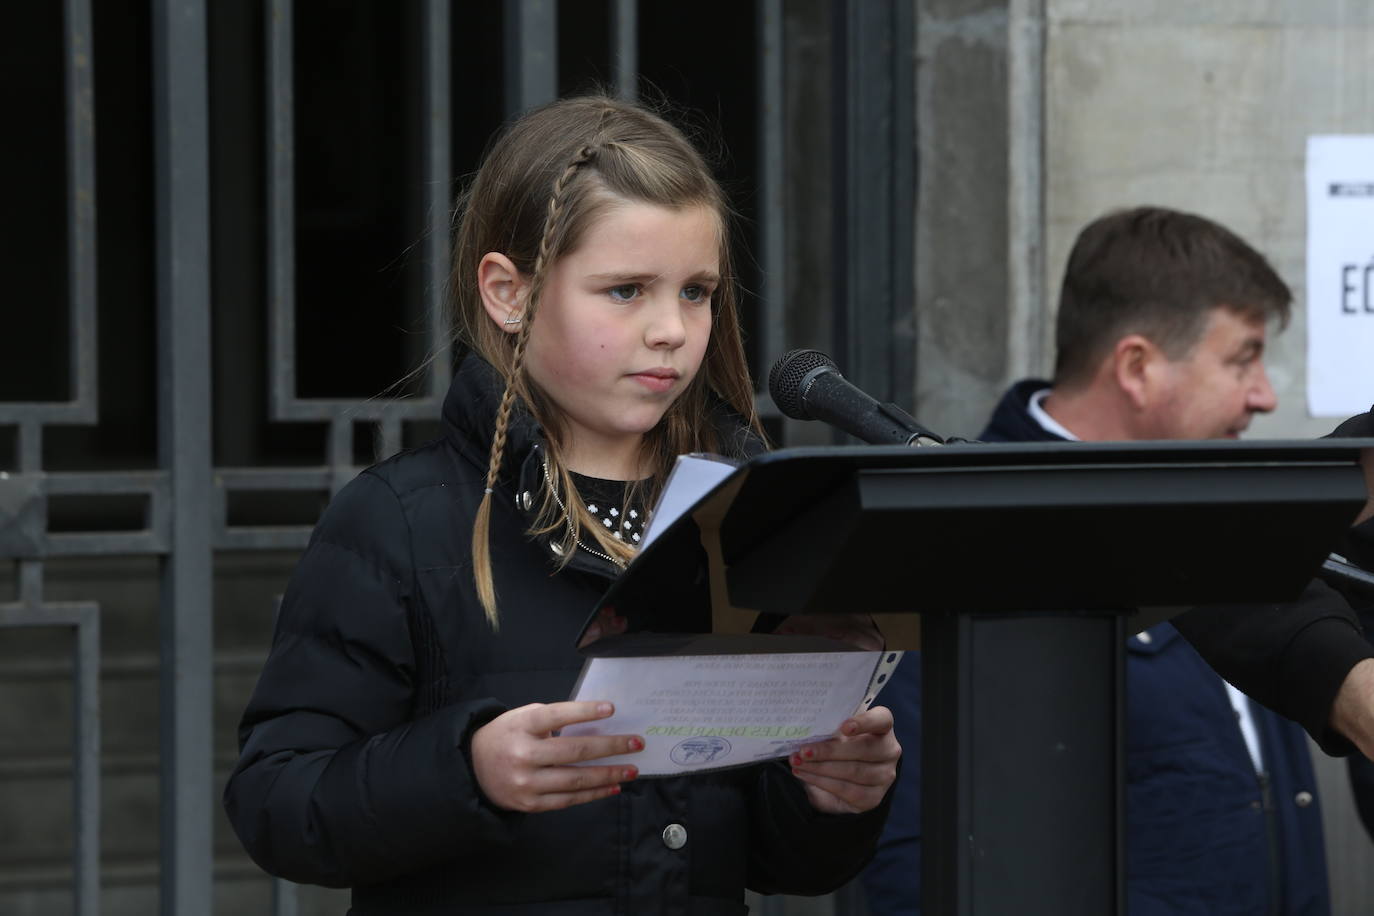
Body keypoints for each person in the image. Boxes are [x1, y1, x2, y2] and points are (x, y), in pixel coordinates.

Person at [223, 95, 900, 914]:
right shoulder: (400, 521)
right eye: (625, 291)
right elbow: (277, 802)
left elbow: (765, 848)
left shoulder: (740, 513)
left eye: (696, 292)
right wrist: (465, 768)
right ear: (509, 293)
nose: (672, 330)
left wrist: (828, 797)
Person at [865, 207, 1362, 915]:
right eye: (1241, 359)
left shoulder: (1227, 519)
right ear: (1136, 366)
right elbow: (919, 865)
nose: (1265, 395)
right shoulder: (960, 545)